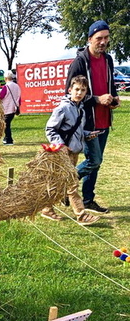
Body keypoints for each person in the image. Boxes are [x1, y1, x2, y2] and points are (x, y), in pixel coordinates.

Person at [65, 20, 119, 214]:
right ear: (90, 39)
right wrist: (97, 99)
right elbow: (69, 95)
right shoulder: (79, 62)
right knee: (93, 161)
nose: (103, 42)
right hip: (87, 122)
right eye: (99, 38)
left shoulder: (108, 59)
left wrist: (114, 97)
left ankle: (88, 199)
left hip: (105, 118)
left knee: (97, 162)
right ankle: (65, 184)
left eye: (106, 38)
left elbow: (110, 85)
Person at [41, 75, 99, 225]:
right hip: (63, 152)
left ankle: (46, 208)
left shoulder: (81, 110)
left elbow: (76, 130)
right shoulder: (63, 108)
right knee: (72, 183)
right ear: (70, 90)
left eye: (83, 90)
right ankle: (81, 214)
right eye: (77, 89)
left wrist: (87, 134)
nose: (79, 93)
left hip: (74, 152)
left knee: (59, 182)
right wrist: (60, 145)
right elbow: (50, 129)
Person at [0, 70, 21, 145]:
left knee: (6, 125)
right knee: (7, 124)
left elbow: (1, 96)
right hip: (14, 108)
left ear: (5, 78)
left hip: (6, 108)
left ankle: (9, 140)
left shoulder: (6, 86)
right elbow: (19, 97)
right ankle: (7, 138)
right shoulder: (17, 86)